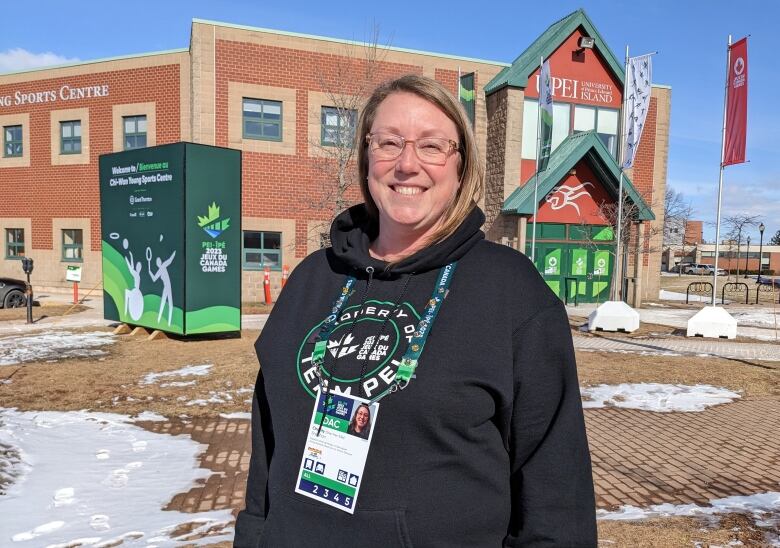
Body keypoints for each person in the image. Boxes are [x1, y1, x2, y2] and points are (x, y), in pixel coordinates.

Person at [235, 74, 596, 547]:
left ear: (460, 165)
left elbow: (556, 488)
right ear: (366, 156)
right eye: (388, 142)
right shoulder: (312, 279)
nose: (407, 164)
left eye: (431, 146)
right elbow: (268, 445)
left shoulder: (511, 292)